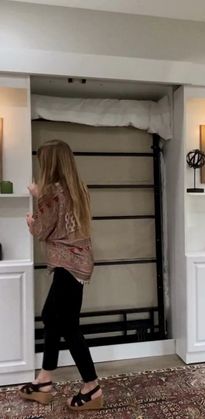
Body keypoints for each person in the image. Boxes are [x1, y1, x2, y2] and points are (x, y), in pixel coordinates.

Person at [19, 140, 103, 411]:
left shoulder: (52, 193)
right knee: (51, 317)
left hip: (67, 266)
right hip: (78, 264)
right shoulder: (78, 188)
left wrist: (35, 207)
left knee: (67, 324)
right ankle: (45, 379)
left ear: (50, 163)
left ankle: (92, 387)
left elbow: (41, 230)